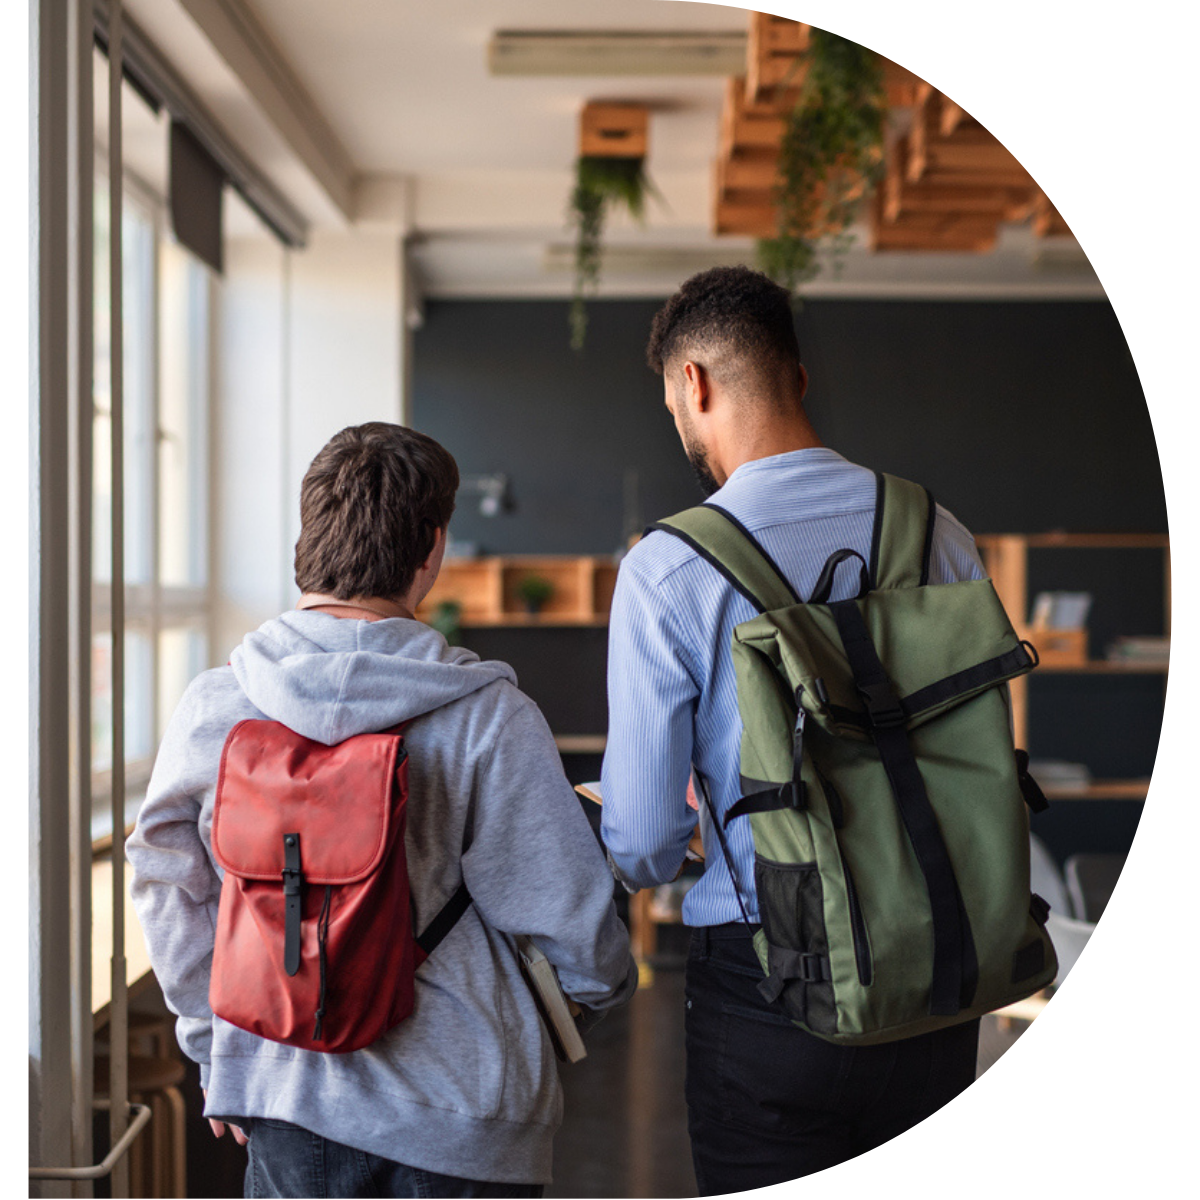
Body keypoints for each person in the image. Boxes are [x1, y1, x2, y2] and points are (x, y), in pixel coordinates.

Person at [128, 422, 637, 1200]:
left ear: (308, 536)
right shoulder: (489, 716)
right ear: (431, 548)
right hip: (466, 1113)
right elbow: (570, 921)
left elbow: (166, 881)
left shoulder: (217, 707)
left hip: (283, 1090)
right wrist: (595, 995)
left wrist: (216, 1046)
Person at [600, 266, 1006, 1197]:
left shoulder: (666, 569)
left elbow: (646, 846)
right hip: (935, 969)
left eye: (674, 405)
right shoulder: (936, 530)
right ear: (800, 379)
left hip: (766, 988)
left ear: (693, 384)